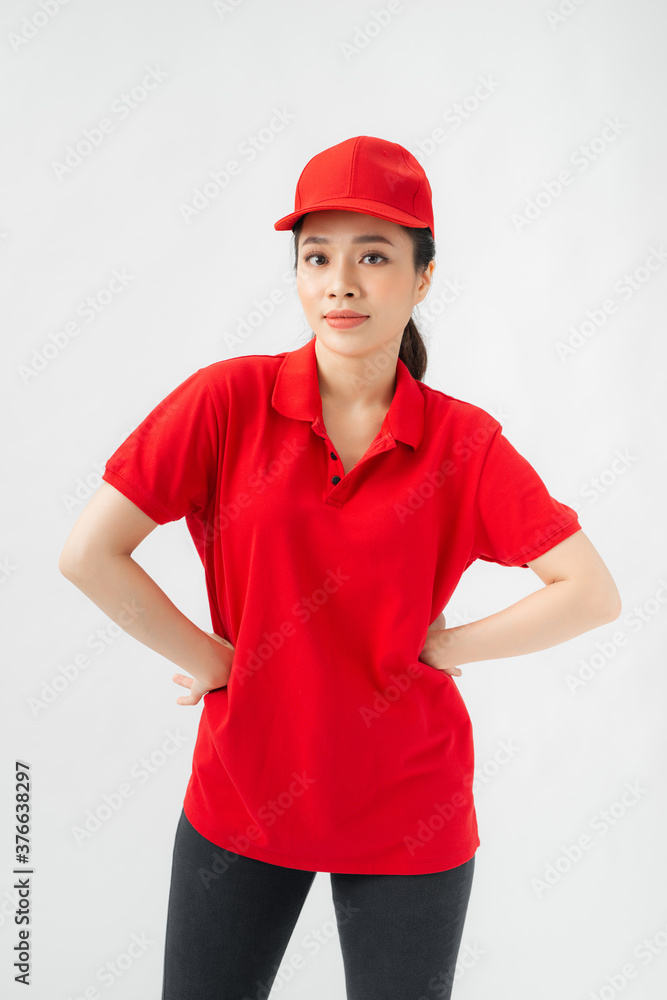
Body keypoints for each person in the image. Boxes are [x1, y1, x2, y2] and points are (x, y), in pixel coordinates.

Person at [58, 135, 622, 1000]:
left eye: (373, 256)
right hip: (243, 794)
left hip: (408, 807)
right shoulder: (226, 401)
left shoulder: (463, 443)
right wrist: (216, 659)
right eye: (316, 255)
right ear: (296, 271)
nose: (340, 281)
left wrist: (443, 647)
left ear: (423, 278)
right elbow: (88, 553)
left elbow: (590, 592)